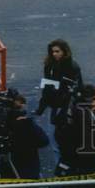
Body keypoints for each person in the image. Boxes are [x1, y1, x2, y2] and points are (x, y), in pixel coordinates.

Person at [35, 39, 83, 167]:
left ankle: (66, 169)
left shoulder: (72, 67)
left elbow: (79, 87)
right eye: (53, 52)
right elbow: (46, 89)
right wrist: (41, 108)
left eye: (57, 51)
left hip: (67, 108)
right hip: (55, 106)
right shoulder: (49, 66)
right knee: (54, 141)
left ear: (64, 52)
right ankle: (60, 170)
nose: (55, 54)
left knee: (65, 141)